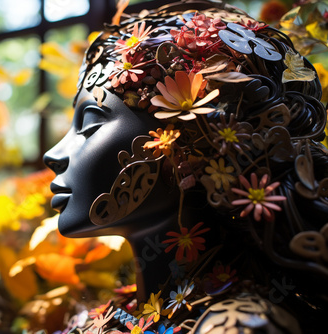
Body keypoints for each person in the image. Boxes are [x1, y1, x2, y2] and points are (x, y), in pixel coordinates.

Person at [44, 0, 328, 332]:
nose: (54, 153)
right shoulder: (101, 319)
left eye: (90, 123)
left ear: (189, 143)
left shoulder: (236, 326)